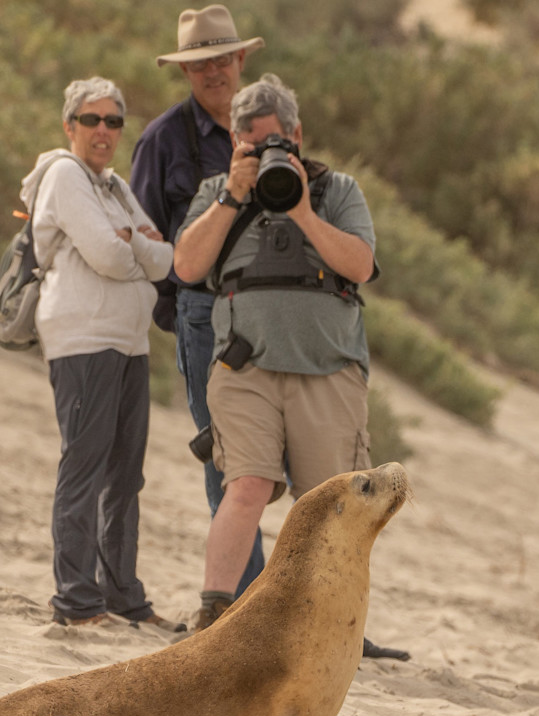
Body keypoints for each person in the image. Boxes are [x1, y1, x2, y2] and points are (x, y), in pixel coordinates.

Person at [173, 74, 408, 659]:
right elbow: (187, 266)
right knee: (246, 487)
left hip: (328, 369)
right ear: (234, 142)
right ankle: (214, 613)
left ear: (297, 135)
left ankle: (332, 624)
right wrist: (233, 195)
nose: (264, 155)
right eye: (250, 145)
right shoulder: (216, 192)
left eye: (274, 142)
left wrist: (301, 209)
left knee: (333, 504)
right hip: (245, 368)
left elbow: (359, 265)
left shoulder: (338, 190)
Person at [24, 76, 181, 631]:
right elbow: (110, 257)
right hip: (84, 338)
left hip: (129, 342)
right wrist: (137, 245)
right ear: (70, 125)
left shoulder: (113, 185)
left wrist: (131, 242)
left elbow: (165, 260)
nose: (103, 131)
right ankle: (76, 599)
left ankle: (123, 596)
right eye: (91, 119)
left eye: (113, 121)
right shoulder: (65, 175)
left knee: (125, 475)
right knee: (85, 468)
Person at [131, 4, 268, 598]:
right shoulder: (162, 140)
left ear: (240, 60)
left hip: (272, 316)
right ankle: (246, 605)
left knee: (293, 463)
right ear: (185, 72)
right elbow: (143, 238)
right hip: (205, 320)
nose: (213, 72)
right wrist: (178, 315)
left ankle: (299, 611)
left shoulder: (268, 129)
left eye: (221, 60)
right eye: (200, 65)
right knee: (229, 462)